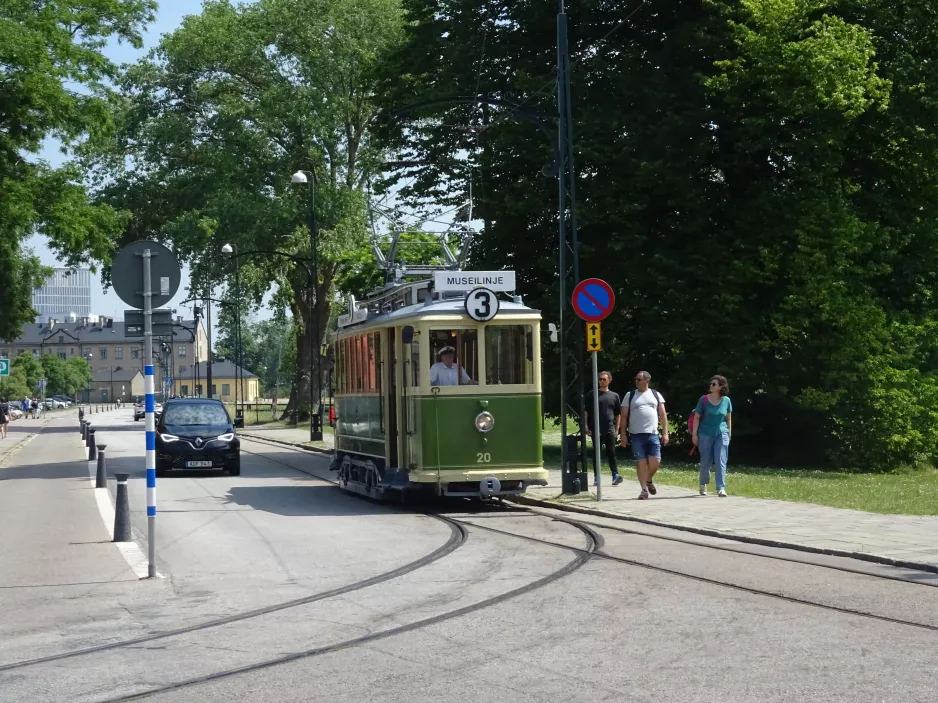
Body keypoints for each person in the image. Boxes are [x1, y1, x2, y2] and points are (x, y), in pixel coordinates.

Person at [619, 370, 669, 500]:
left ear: (646, 380)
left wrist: (665, 433)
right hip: (636, 435)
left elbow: (663, 415)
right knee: (640, 463)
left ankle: (648, 480)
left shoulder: (655, 394)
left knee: (656, 462)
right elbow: (624, 416)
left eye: (638, 379)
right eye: (636, 379)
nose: (636, 381)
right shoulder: (630, 395)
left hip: (652, 434)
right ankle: (644, 490)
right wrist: (623, 434)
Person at [692, 375, 733, 497]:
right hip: (705, 434)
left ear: (720, 387)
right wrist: (694, 434)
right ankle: (703, 484)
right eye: (711, 383)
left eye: (714, 384)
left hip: (721, 433)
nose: (711, 385)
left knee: (721, 460)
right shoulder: (703, 399)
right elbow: (697, 417)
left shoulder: (726, 400)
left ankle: (721, 488)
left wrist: (729, 432)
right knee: (705, 462)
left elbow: (728, 418)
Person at [585, 370, 623, 486]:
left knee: (611, 452)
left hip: (610, 429)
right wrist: (586, 425)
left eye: (604, 379)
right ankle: (597, 477)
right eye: (600, 379)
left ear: (609, 380)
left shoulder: (614, 396)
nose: (601, 381)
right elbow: (586, 411)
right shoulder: (592, 394)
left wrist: (617, 429)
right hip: (596, 429)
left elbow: (618, 414)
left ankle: (615, 475)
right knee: (597, 453)